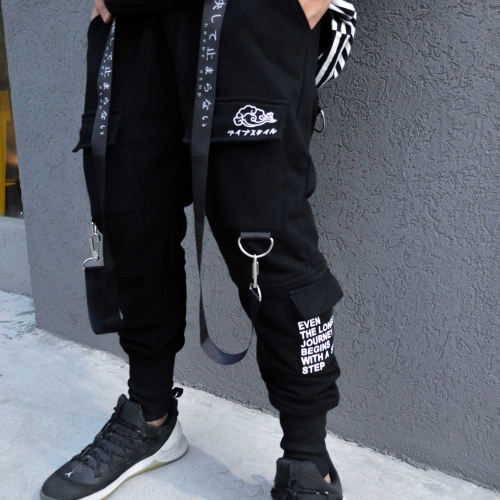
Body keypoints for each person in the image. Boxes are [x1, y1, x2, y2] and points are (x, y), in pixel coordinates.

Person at [40, 0, 357, 499]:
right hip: (135, 22)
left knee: (266, 241)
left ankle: (307, 456)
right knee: (132, 224)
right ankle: (149, 416)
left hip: (250, 14)